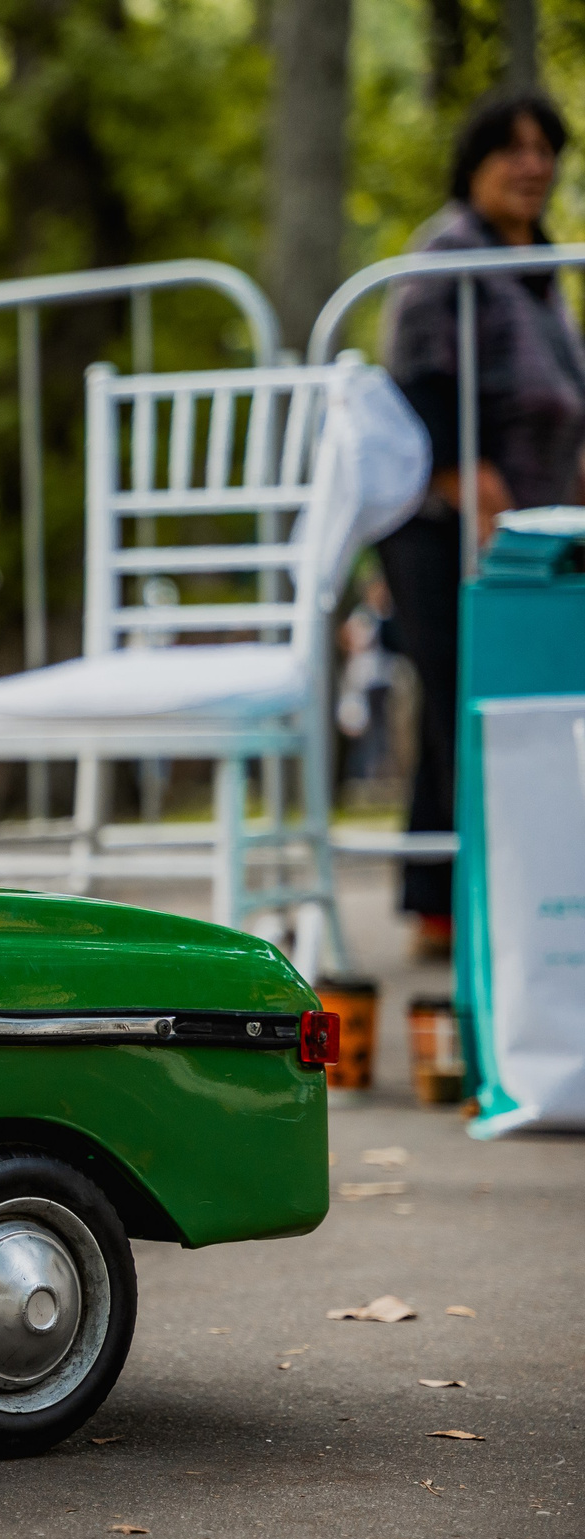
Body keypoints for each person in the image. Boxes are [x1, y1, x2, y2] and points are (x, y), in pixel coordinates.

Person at [376, 90, 585, 958]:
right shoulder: (448, 253)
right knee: (467, 704)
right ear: (475, 165)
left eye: (546, 150)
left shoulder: (545, 267)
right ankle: (451, 903)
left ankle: (512, 887)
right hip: (451, 522)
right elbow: (418, 382)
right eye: (514, 149)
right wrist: (477, 487)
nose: (533, 165)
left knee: (517, 705)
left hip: (539, 522)